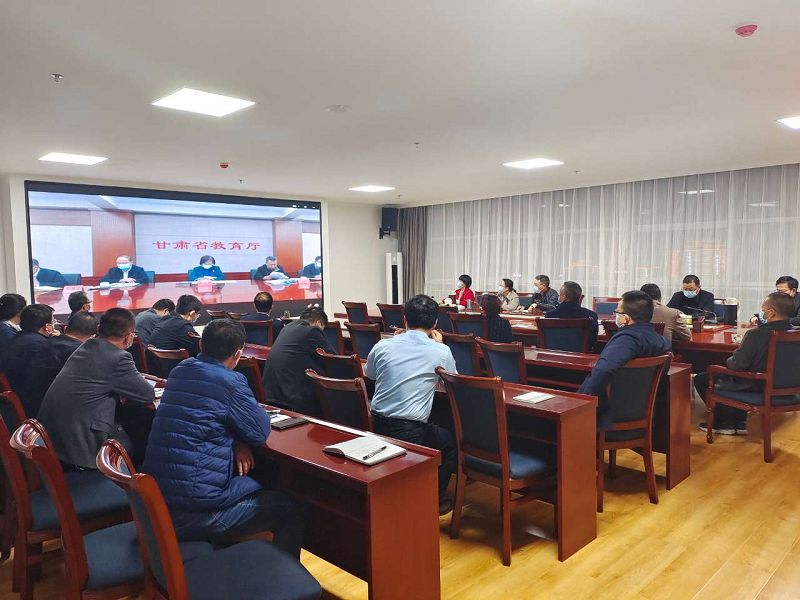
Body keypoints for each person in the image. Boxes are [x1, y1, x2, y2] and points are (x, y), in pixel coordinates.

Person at [143, 319, 305, 556]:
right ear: (238, 354)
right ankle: (283, 577)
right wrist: (241, 434)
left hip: (157, 501)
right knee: (288, 507)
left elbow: (206, 418)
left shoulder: (180, 370)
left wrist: (237, 439)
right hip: (197, 514)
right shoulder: (231, 381)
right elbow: (260, 431)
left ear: (201, 344)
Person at [366, 295, 458, 515]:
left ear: (405, 319)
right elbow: (453, 385)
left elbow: (370, 374)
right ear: (435, 323)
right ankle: (433, 502)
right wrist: (439, 346)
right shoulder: (440, 351)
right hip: (409, 431)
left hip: (375, 423)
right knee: (449, 442)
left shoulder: (383, 345)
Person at [38, 308, 155, 469]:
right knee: (143, 430)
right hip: (83, 447)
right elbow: (147, 394)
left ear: (99, 329)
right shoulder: (118, 357)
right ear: (129, 337)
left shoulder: (85, 347)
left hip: (56, 439)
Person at [695, 292, 794, 436]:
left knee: (704, 377)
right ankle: (739, 422)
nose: (761, 313)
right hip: (789, 388)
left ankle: (724, 422)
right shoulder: (795, 333)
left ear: (771, 313)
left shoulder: (756, 335)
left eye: (763, 309)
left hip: (756, 385)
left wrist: (730, 358)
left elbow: (736, 365)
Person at [578, 291, 671, 430]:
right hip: (640, 413)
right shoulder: (661, 340)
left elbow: (605, 369)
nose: (616, 316)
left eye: (617, 312)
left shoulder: (627, 339)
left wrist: (581, 401)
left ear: (626, 318)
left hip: (609, 418)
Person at [262, 307, 333, 417]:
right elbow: (332, 359)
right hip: (291, 399)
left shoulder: (288, 327)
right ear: (319, 323)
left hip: (270, 394)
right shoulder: (312, 331)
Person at [26, 312, 98, 416]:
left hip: (34, 405)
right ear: (93, 336)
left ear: (66, 328)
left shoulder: (45, 343)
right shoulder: (81, 353)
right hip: (61, 414)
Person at [0, 304, 55, 415]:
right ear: (47, 327)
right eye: (53, 322)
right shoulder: (40, 345)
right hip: (32, 405)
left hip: (13, 401)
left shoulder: (17, 339)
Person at [542, 281, 599, 348]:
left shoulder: (550, 315)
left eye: (560, 295)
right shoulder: (592, 315)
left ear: (564, 297)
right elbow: (593, 341)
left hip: (554, 353)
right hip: (581, 353)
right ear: (579, 296)